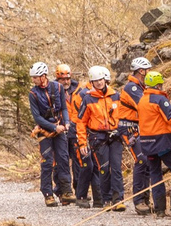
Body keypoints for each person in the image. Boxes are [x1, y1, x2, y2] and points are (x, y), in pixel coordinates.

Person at [133, 70, 171, 217]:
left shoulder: (142, 100)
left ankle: (159, 209)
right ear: (158, 85)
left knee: (155, 175)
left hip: (147, 143)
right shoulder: (160, 100)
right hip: (163, 142)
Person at [77, 65, 124, 210]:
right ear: (92, 82)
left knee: (116, 167)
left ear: (105, 79)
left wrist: (122, 131)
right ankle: (106, 199)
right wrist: (82, 143)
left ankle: (118, 199)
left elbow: (123, 115)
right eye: (96, 81)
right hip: (98, 137)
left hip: (115, 136)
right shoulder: (88, 98)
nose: (99, 83)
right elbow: (81, 122)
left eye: (101, 80)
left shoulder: (116, 96)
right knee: (104, 168)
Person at [28, 62, 72, 206]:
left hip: (59, 126)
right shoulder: (33, 94)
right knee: (47, 161)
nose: (33, 80)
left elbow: (64, 108)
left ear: (43, 76)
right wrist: (54, 127)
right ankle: (47, 194)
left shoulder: (57, 87)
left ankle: (66, 191)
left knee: (63, 158)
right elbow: (37, 117)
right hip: (44, 130)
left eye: (35, 77)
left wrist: (66, 122)